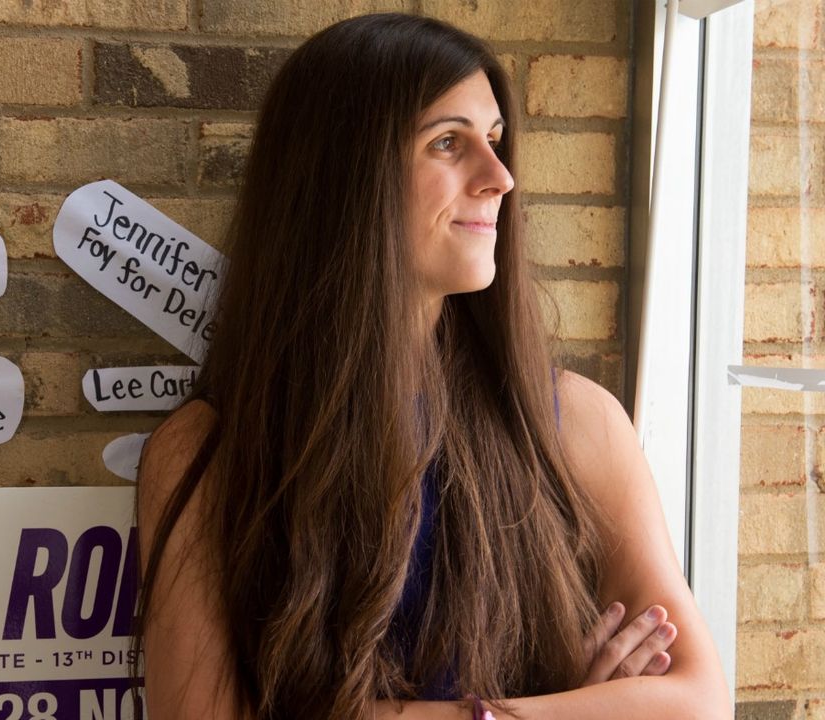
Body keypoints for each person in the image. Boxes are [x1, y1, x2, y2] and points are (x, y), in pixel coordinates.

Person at [130, 12, 729, 720]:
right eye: (449, 143)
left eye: (496, 141)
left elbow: (695, 702)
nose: (500, 178)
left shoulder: (574, 423)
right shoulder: (208, 452)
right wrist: (570, 707)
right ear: (346, 179)